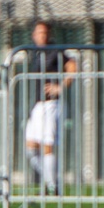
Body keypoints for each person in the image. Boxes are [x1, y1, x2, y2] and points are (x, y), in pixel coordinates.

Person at [18, 21, 79, 195]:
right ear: (33, 35)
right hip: (38, 104)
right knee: (31, 146)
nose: (42, 36)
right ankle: (51, 181)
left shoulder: (55, 51)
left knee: (47, 145)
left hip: (51, 104)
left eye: (44, 33)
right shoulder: (35, 52)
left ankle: (52, 187)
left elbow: (72, 66)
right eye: (39, 33)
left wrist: (60, 86)